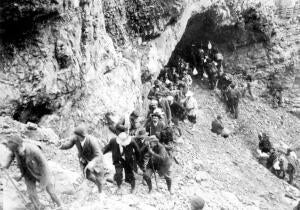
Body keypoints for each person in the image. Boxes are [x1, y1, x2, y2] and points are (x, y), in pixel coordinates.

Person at [2, 135, 62, 210]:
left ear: (21, 146)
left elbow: (44, 166)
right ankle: (38, 208)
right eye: (15, 151)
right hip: (27, 174)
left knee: (51, 191)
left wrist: (42, 184)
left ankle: (60, 206)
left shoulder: (34, 150)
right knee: (31, 195)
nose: (16, 153)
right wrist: (5, 165)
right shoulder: (15, 149)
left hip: (41, 173)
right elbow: (11, 155)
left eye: (17, 151)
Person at [59, 126, 104, 193]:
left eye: (76, 135)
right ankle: (96, 183)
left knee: (99, 178)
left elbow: (99, 155)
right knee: (87, 175)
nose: (74, 136)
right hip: (84, 160)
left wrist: (92, 162)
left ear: (80, 136)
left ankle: (101, 193)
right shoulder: (75, 138)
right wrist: (61, 146)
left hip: (94, 160)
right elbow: (69, 144)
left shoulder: (92, 141)